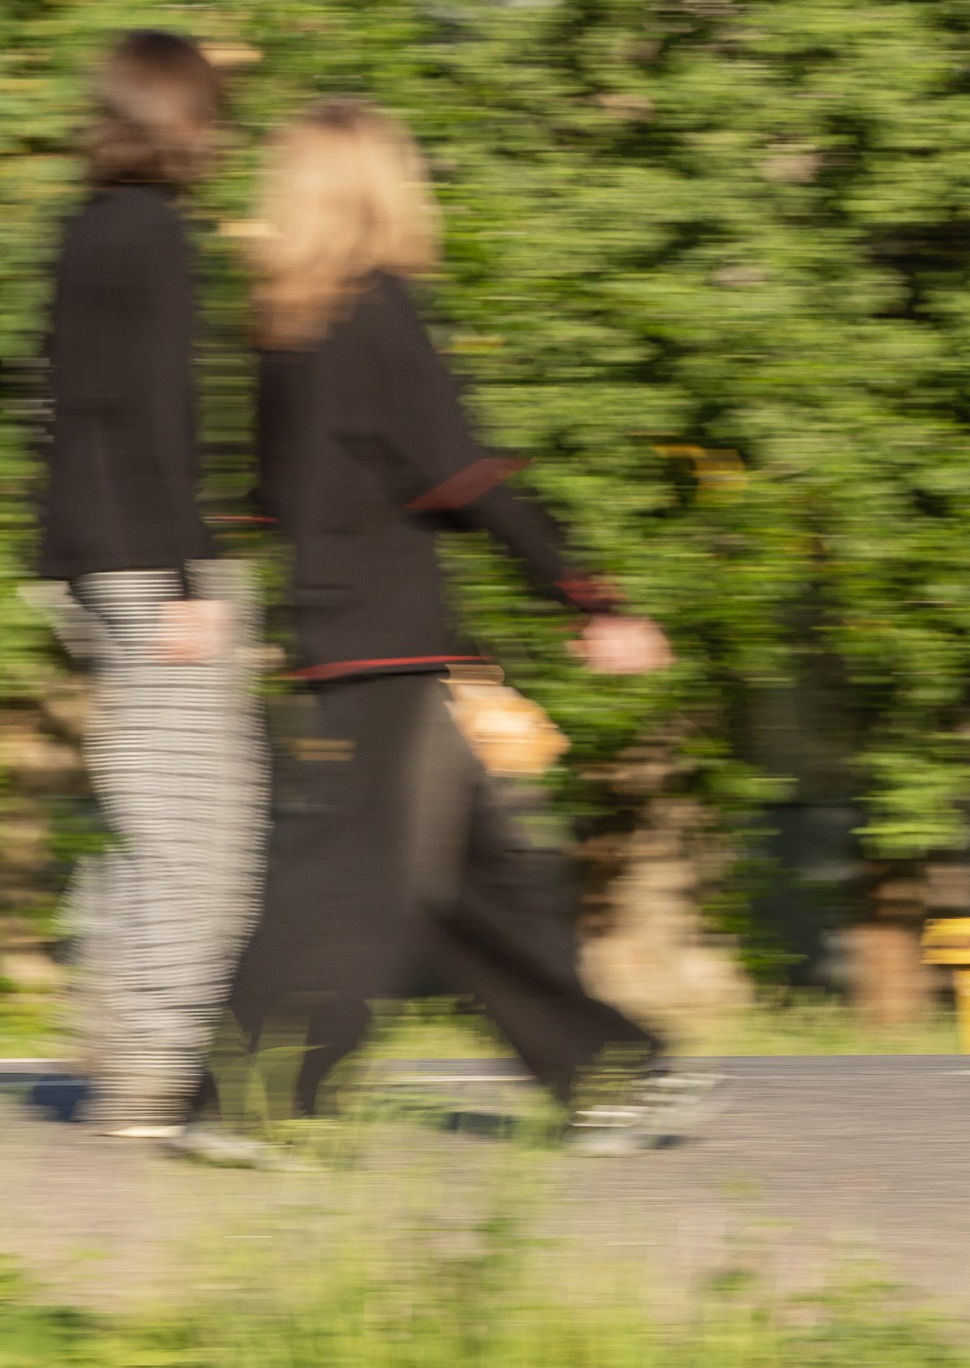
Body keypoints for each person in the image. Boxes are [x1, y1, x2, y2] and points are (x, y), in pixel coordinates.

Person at [184, 99, 697, 1164]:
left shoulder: (282, 328)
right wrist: (587, 596)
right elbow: (468, 475)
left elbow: (269, 496)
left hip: (346, 636)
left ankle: (610, 1082)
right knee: (352, 884)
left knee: (477, 884)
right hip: (390, 644)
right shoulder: (376, 312)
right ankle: (249, 1103)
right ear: (384, 189)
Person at [34, 30, 269, 1135]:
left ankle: (117, 1024)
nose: (223, 135)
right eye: (212, 114)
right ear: (182, 125)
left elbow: (76, 408)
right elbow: (154, 414)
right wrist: (189, 576)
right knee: (202, 828)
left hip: (81, 557)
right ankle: (160, 1062)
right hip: (148, 562)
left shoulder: (84, 227)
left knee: (150, 809)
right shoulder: (159, 236)